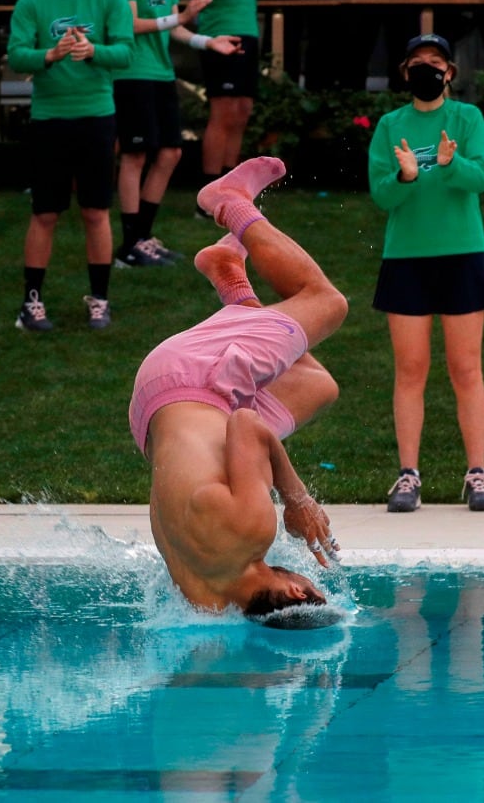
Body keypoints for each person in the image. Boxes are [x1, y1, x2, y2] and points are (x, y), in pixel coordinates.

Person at [131, 157, 346, 621]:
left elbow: (247, 425)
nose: (308, 576)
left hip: (192, 378)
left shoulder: (251, 531)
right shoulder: (203, 595)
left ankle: (228, 203)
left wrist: (297, 501)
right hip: (153, 414)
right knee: (316, 386)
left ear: (293, 592)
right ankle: (229, 272)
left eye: (312, 586)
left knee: (327, 303)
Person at [368, 34, 484, 513]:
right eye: (418, 62)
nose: (428, 68)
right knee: (410, 370)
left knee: (466, 368)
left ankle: (477, 474)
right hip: (406, 257)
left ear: (450, 72)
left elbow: (482, 178)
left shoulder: (468, 119)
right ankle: (407, 476)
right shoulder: (389, 126)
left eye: (436, 62)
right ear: (406, 72)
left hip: (461, 253)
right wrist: (405, 176)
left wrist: (450, 164)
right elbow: (381, 195)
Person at [6, 0, 134, 331]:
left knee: (96, 211)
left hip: (96, 116)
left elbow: (126, 52)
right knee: (44, 213)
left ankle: (100, 299)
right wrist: (51, 53)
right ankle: (32, 302)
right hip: (49, 119)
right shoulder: (33, 1)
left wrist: (93, 51)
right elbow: (16, 55)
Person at [108, 0, 240, 268]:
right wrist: (178, 17)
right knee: (135, 155)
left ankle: (141, 237)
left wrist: (207, 42)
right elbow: (129, 25)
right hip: (132, 73)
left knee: (170, 153)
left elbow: (171, 27)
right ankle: (130, 245)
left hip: (162, 73)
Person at [195, 0, 313, 215]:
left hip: (247, 29)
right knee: (223, 111)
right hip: (220, 30)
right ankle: (206, 198)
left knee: (242, 111)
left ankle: (228, 190)